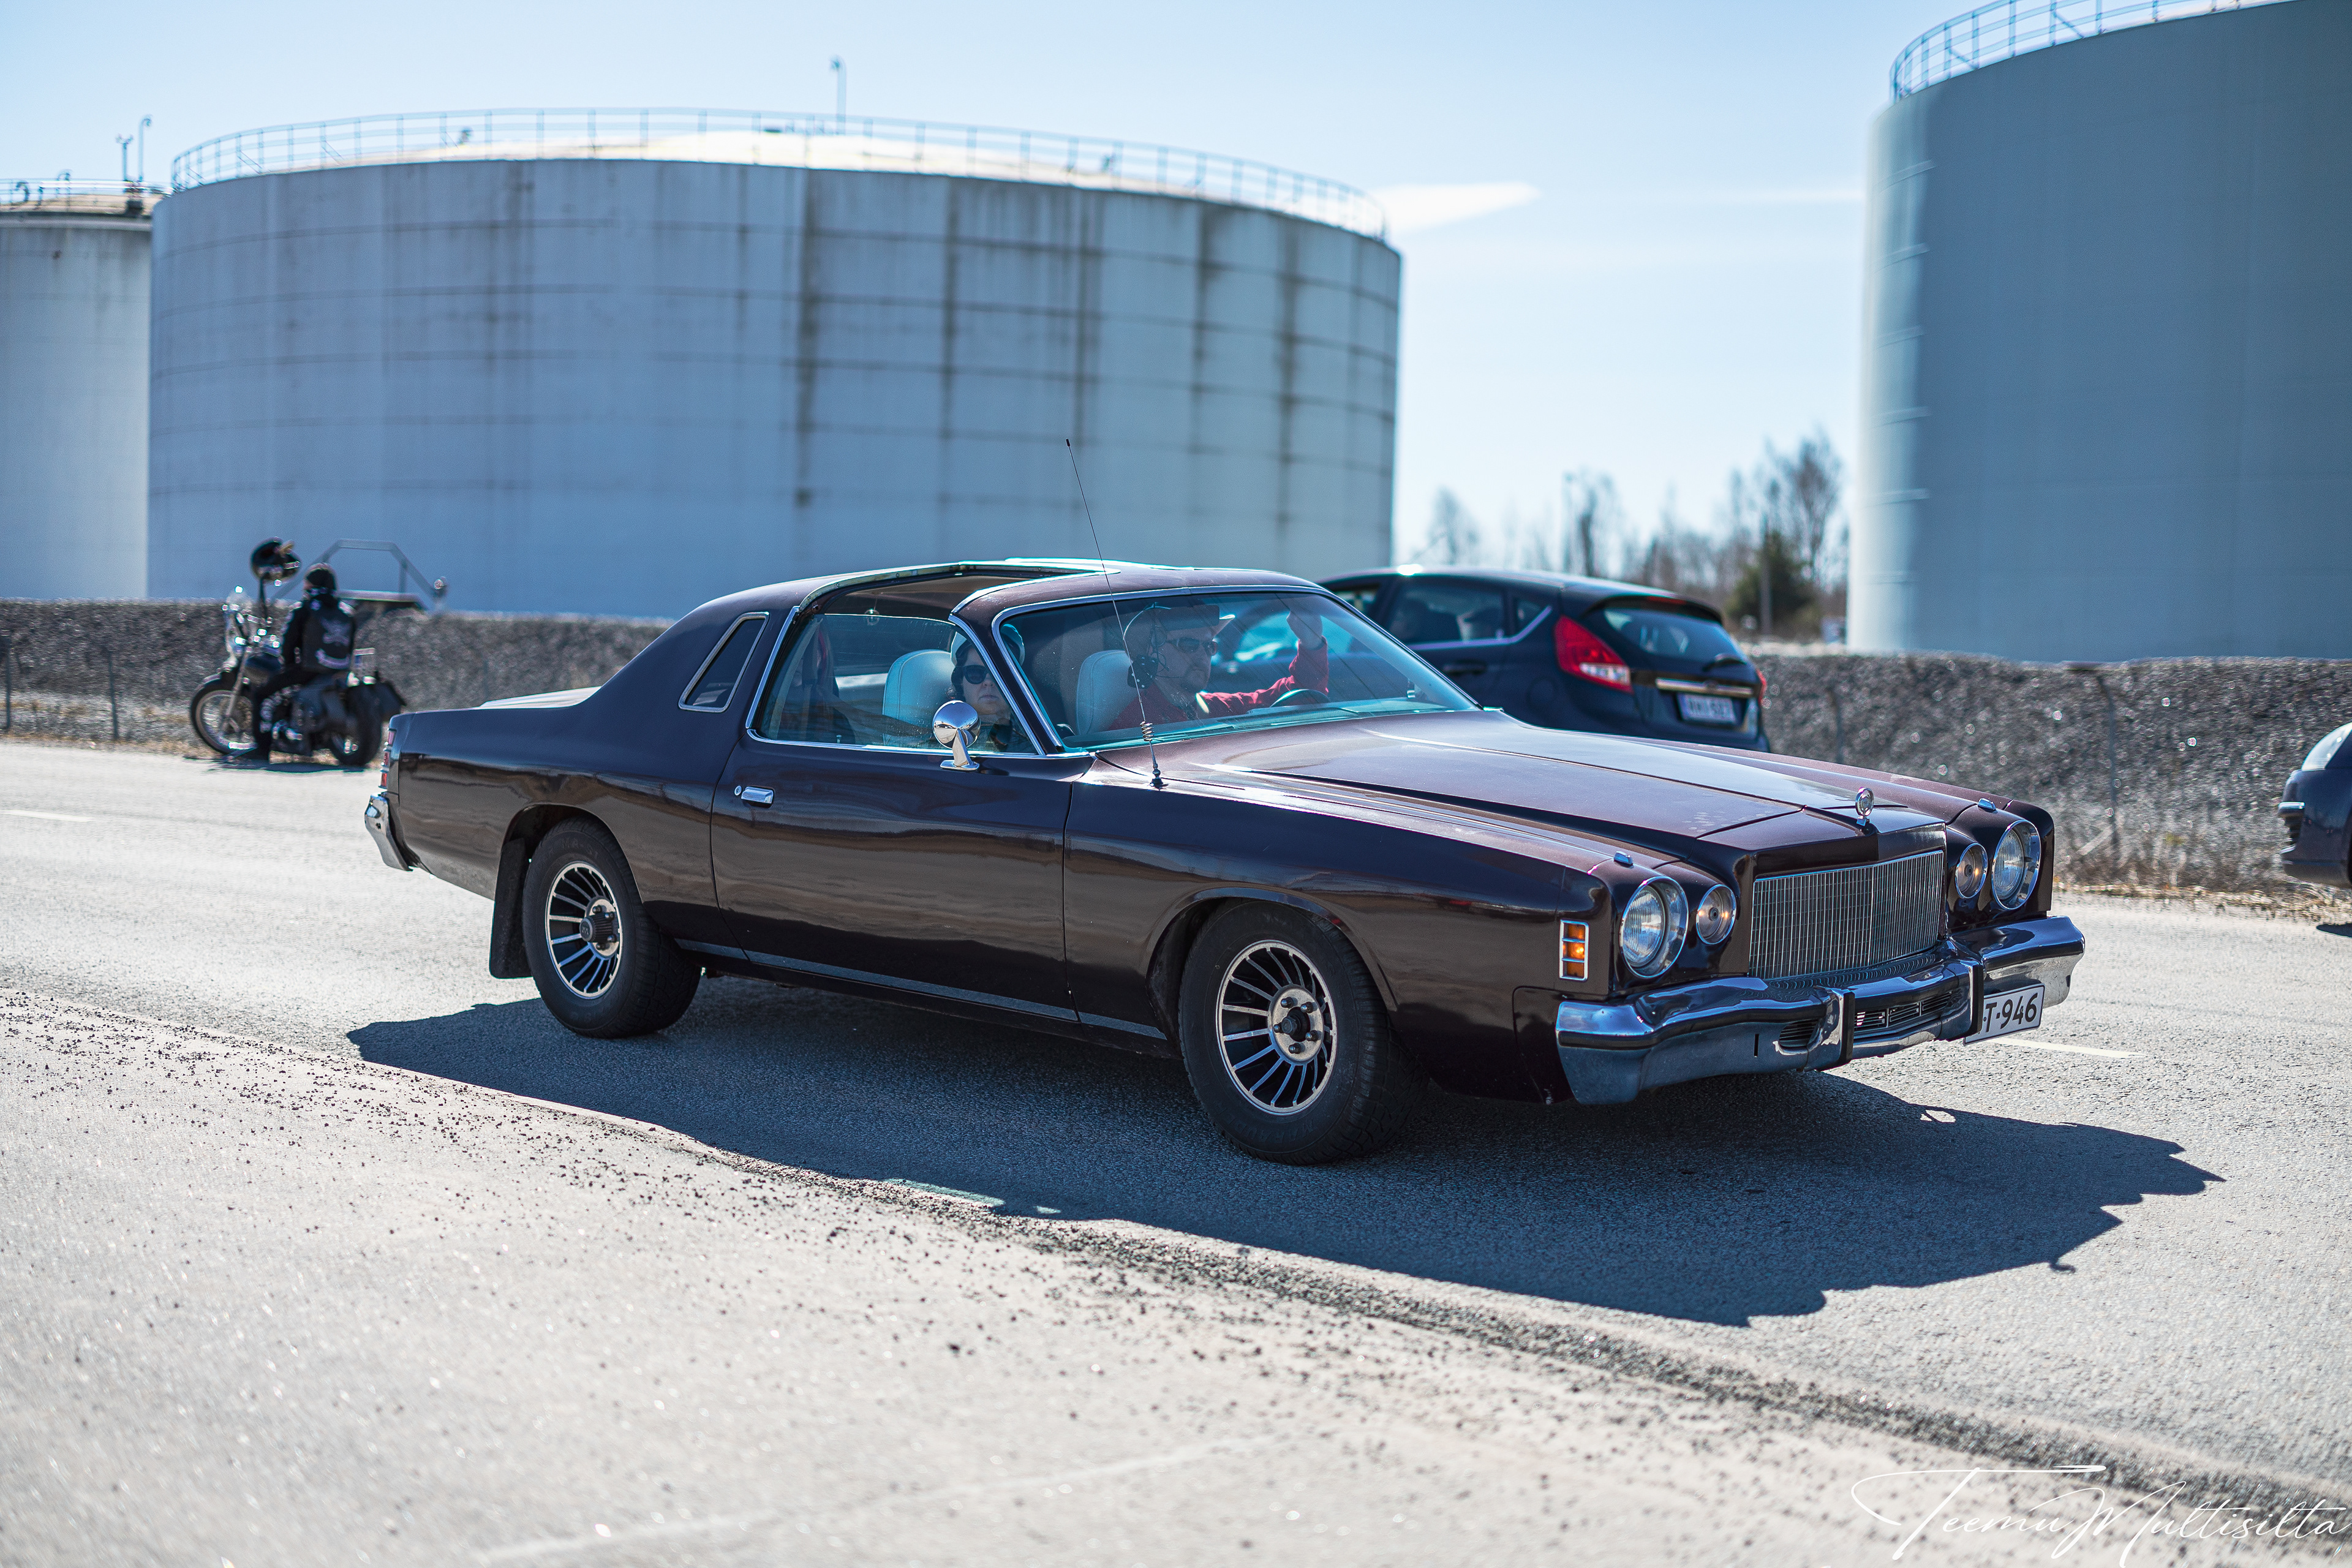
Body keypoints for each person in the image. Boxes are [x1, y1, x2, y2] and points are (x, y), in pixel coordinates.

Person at [1106, 601, 1327, 733]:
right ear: (1154, 651)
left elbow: (1303, 696)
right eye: (1189, 645)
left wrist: (1311, 642)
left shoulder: (1220, 707)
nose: (1202, 655)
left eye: (1209, 646)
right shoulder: (1135, 723)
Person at [254, 564, 355, 759]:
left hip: (309, 670)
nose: (304, 586)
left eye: (307, 582)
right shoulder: (347, 612)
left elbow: (288, 644)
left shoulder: (304, 609)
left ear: (312, 584)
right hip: (338, 672)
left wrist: (289, 666)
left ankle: (261, 749)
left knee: (261, 695)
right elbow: (350, 646)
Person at [944, 637, 1027, 753]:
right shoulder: (941, 744)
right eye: (975, 672)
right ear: (961, 682)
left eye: (1000, 673)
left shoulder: (1044, 743)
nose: (988, 681)